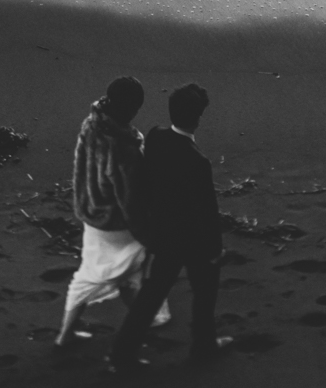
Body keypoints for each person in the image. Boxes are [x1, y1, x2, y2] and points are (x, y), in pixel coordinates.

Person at [114, 82, 230, 370]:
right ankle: (204, 345)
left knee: (151, 294)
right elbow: (207, 211)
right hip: (193, 241)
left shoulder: (156, 137)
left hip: (163, 235)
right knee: (204, 293)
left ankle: (121, 354)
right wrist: (215, 249)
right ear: (199, 117)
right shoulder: (198, 162)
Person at [56, 76, 158, 346]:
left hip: (91, 212)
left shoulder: (91, 124)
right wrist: (146, 233)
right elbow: (130, 200)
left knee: (92, 275)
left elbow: (83, 165)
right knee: (130, 273)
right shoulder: (125, 147)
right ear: (131, 106)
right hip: (116, 223)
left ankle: (66, 336)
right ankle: (137, 334)